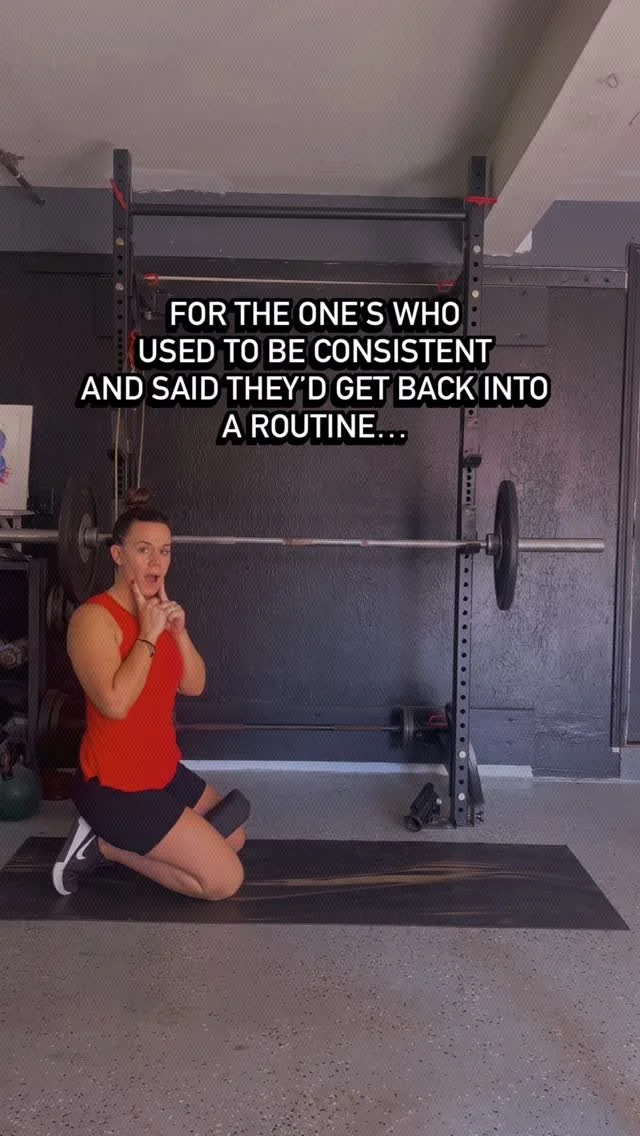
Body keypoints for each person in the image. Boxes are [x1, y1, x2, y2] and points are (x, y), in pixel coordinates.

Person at [52, 487, 249, 901]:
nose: (156, 562)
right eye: (143, 550)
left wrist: (178, 632)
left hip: (161, 770)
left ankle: (139, 838)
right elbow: (114, 703)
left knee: (234, 837)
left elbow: (194, 685)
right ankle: (104, 845)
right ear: (118, 555)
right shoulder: (93, 619)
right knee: (224, 881)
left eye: (164, 551)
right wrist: (147, 634)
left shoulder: (160, 617)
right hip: (116, 787)